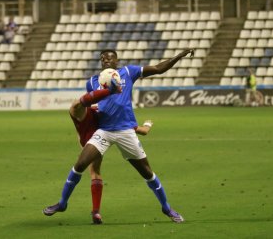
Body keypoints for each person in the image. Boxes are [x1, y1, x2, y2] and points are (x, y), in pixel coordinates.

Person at [43, 48, 194, 223]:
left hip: (125, 132)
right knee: (80, 164)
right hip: (104, 131)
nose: (106, 61)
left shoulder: (128, 72)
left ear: (117, 61)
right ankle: (62, 203)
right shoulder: (92, 82)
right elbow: (90, 105)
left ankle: (166, 208)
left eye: (110, 58)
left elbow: (159, 68)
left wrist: (180, 55)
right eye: (103, 59)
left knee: (147, 172)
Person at [69, 81, 153, 224]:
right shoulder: (107, 110)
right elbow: (141, 131)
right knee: (96, 171)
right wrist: (147, 125)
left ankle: (94, 211)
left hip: (88, 141)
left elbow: (78, 110)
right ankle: (95, 212)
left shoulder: (81, 110)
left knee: (92, 171)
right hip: (106, 135)